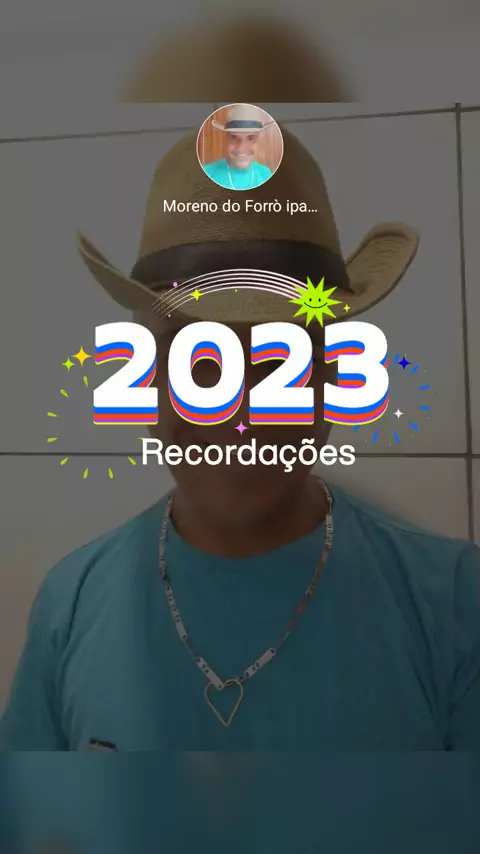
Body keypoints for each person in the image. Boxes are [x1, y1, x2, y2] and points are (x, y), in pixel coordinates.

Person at [1, 117, 479, 753]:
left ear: (331, 379)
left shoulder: (455, 604)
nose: (240, 412)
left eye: (279, 362)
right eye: (202, 363)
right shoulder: (71, 603)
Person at [202, 104, 274, 190]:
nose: (241, 148)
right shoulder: (206, 174)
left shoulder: (265, 173)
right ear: (226, 139)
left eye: (251, 138)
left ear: (259, 139)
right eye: (234, 137)